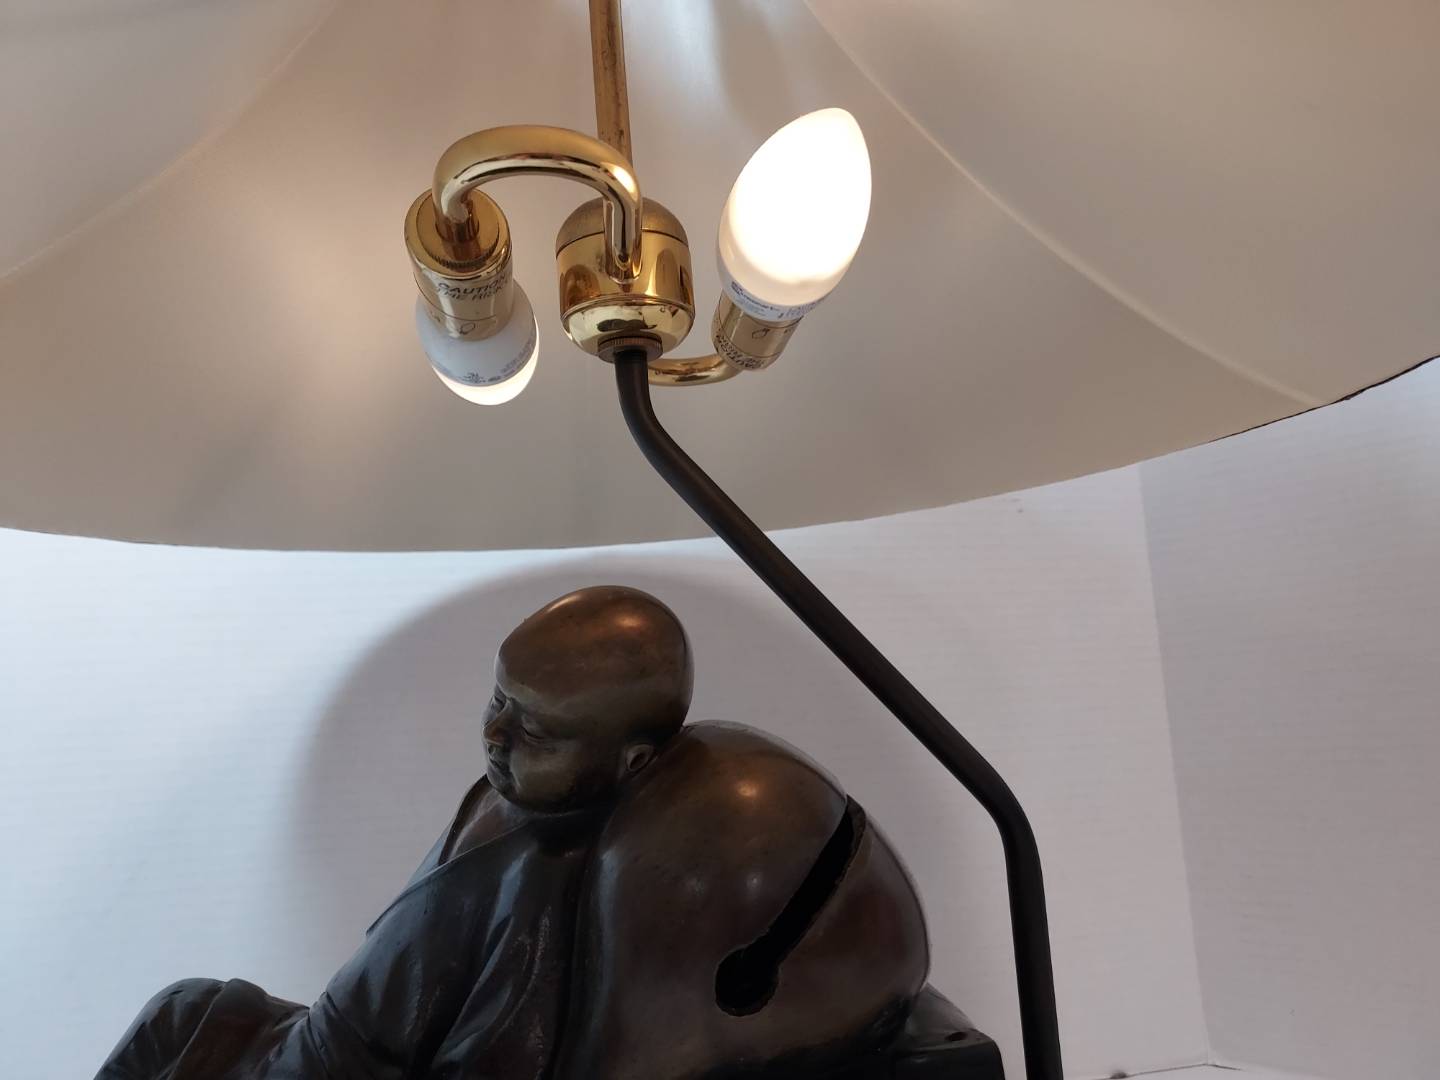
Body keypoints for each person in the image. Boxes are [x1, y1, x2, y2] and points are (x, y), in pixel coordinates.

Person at [95, 586, 692, 1080]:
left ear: (631, 761)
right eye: (498, 701)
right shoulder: (516, 794)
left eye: (535, 733)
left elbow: (495, 1055)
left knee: (171, 1024)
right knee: (183, 1009)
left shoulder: (543, 885)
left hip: (348, 1066)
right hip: (325, 1035)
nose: (496, 735)